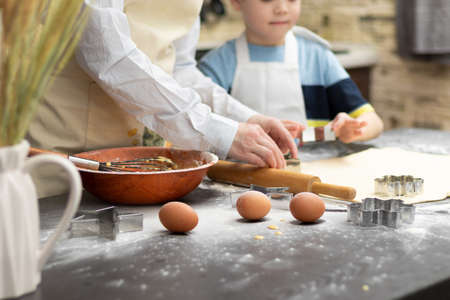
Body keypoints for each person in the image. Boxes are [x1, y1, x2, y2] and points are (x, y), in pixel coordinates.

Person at [27, 0, 303, 196]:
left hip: (146, 170)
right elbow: (107, 56)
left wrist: (247, 119)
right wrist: (218, 132)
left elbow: (180, 70)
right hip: (65, 161)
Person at [198, 0, 384, 144]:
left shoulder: (318, 58)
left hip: (315, 176)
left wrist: (353, 130)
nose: (282, 9)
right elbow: (197, 127)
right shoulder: (217, 65)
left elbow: (374, 122)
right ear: (237, 2)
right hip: (241, 180)